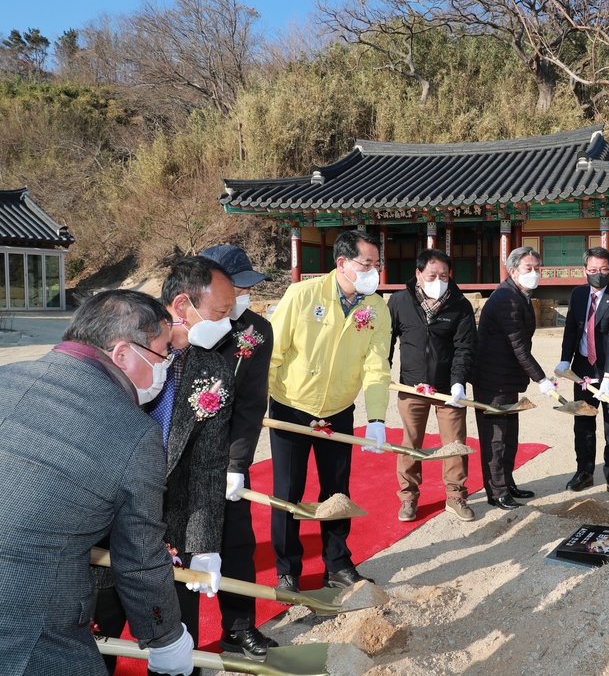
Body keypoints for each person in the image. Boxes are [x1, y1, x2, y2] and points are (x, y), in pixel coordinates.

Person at [0, 290, 194, 676]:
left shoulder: (7, 375)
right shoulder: (134, 434)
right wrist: (167, 638)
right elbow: (138, 559)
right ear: (123, 355)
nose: (166, 368)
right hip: (29, 621)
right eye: (161, 355)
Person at [94, 256, 237, 660]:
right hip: (101, 533)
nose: (227, 324)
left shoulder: (212, 370)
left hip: (168, 536)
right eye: (220, 312)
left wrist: (204, 543)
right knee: (94, 646)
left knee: (176, 650)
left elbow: (208, 465)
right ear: (181, 306)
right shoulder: (115, 351)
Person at [268, 229, 391, 592]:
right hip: (291, 407)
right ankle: (287, 570)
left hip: (338, 409)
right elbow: (272, 354)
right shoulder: (302, 295)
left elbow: (377, 366)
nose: (374, 270)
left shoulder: (376, 308)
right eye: (367, 263)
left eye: (377, 264)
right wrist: (255, 409)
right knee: (287, 492)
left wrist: (378, 418)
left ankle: (337, 564)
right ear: (342, 263)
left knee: (337, 492)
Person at [200, 245, 278, 659]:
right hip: (180, 458)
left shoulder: (257, 332)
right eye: (237, 285)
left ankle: (240, 627)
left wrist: (236, 465)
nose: (244, 295)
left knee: (238, 544)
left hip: (229, 452)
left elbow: (251, 406)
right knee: (185, 552)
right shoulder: (185, 327)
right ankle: (182, 637)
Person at [388, 249, 477, 523]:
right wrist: (381, 373)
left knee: (455, 444)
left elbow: (464, 347)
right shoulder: (400, 301)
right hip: (411, 387)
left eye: (443, 275)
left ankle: (455, 495)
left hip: (448, 390)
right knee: (410, 444)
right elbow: (386, 340)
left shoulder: (460, 304)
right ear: (418, 274)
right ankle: (408, 498)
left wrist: (458, 384)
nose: (438, 280)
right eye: (432, 275)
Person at [472, 246, 558, 510]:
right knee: (495, 437)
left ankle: (507, 482)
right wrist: (541, 379)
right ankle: (496, 491)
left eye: (537, 268)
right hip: (492, 379)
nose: (534, 273)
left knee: (510, 435)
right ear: (513, 271)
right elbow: (518, 345)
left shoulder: (520, 294)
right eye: (528, 268)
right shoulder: (505, 299)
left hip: (508, 377)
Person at [556, 247, 609, 495]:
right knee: (583, 422)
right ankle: (585, 472)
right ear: (585, 271)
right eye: (593, 270)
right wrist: (564, 361)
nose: (598, 274)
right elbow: (571, 329)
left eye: (603, 270)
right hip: (582, 368)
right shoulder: (578, 294)